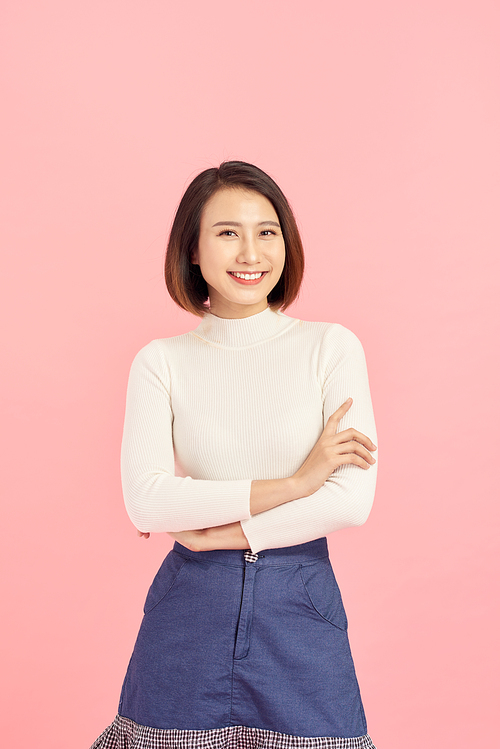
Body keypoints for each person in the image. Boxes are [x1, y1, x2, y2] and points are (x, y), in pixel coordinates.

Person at [91, 161, 378, 749]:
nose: (251, 252)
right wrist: (298, 483)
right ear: (192, 250)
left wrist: (219, 532)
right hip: (190, 611)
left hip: (299, 606)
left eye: (267, 231)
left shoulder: (329, 347)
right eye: (227, 232)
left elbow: (350, 501)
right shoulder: (162, 362)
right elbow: (147, 502)